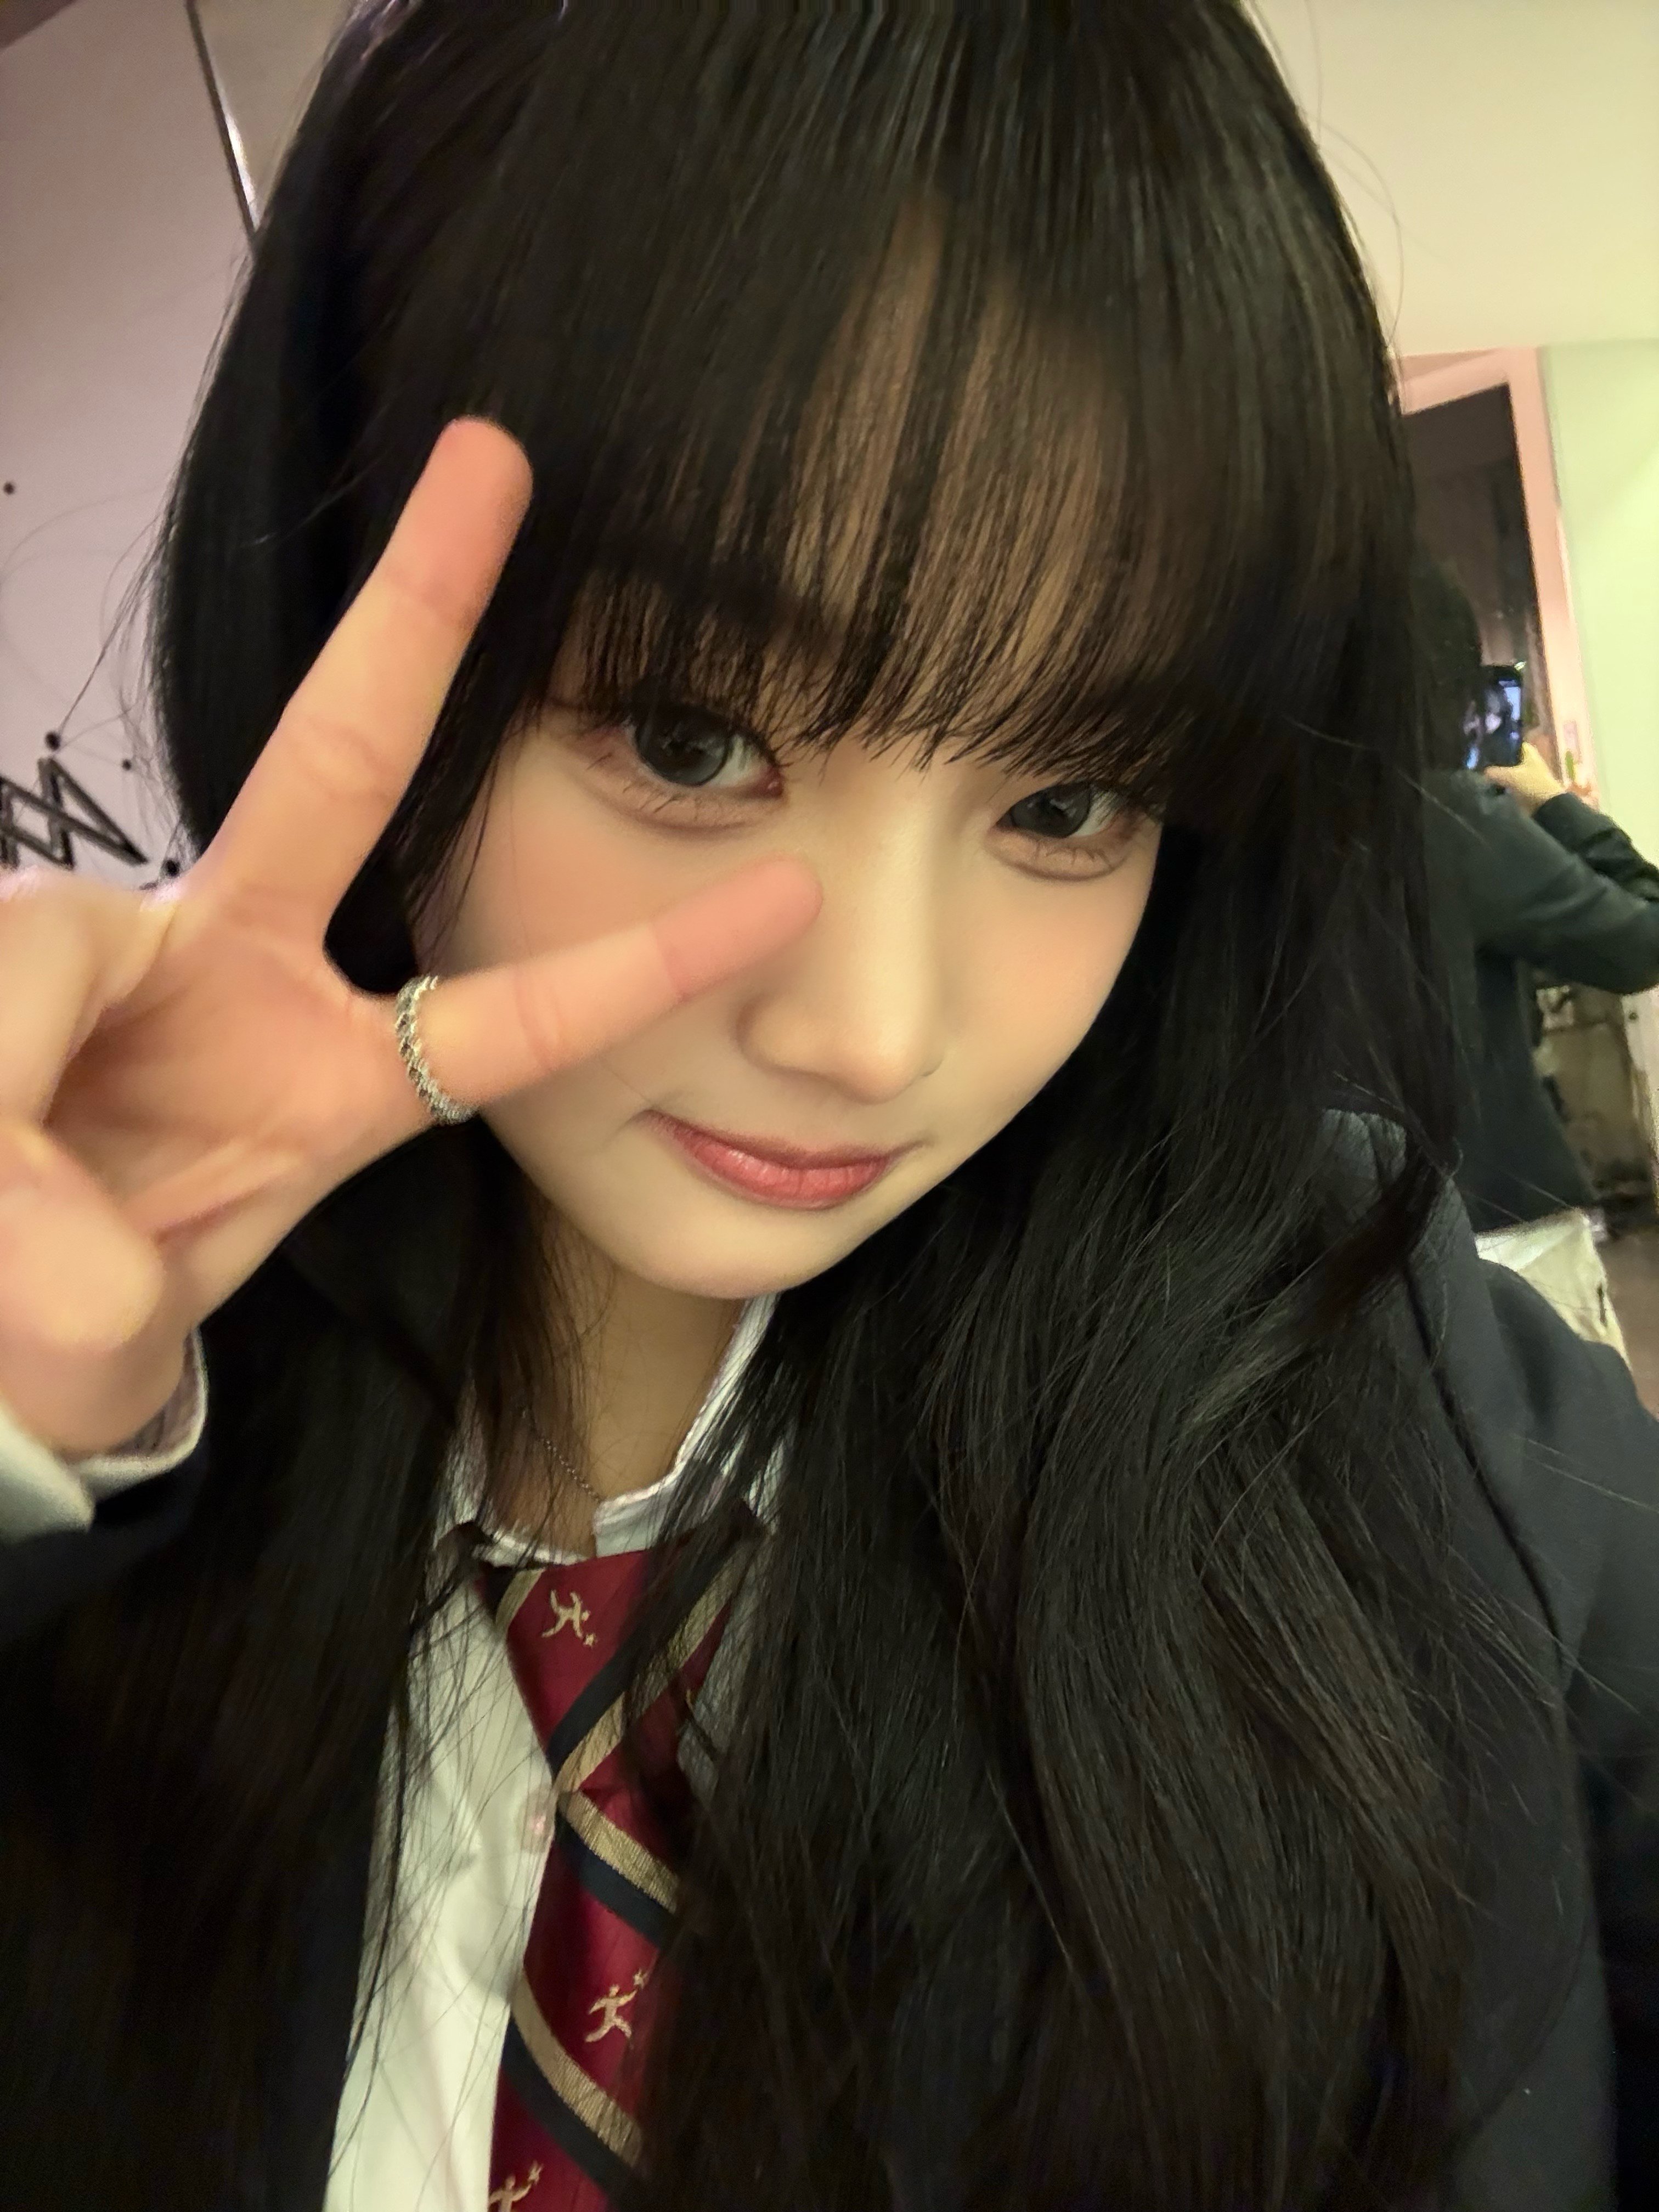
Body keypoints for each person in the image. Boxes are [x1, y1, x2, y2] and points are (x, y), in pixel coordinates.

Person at [0, 8, 1655, 2211]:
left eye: (1067, 800)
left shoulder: (1424, 1429)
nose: (874, 1034)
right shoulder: (104, 1443)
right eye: (688, 737)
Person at [1419, 558, 1659, 1349]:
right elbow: (1643, 940)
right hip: (1501, 1221)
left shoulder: (1235, 822)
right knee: (1576, 1427)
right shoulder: (1448, 815)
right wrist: (1551, 800)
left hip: (1341, 1239)